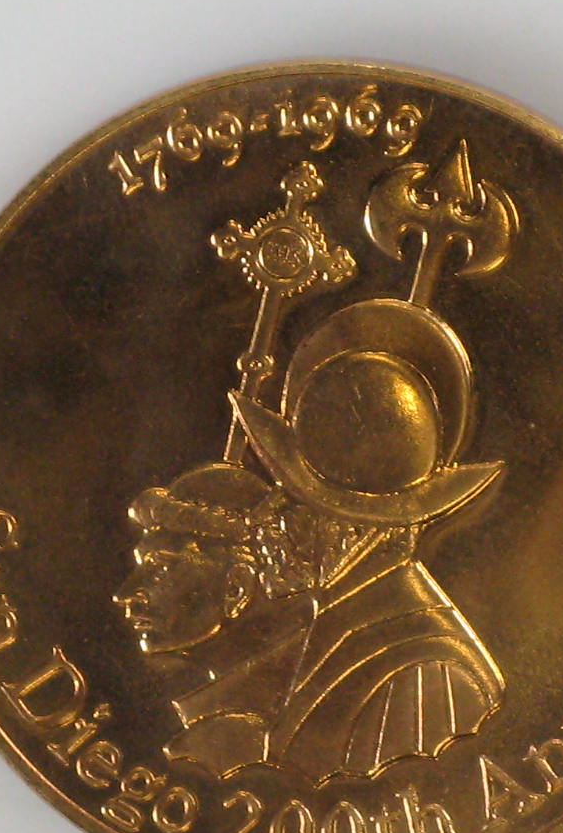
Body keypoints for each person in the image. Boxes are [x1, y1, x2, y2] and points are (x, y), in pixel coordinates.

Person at [115, 298, 505, 784]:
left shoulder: (427, 671)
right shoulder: (339, 629)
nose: (270, 521)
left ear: (349, 525)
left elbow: (404, 801)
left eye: (294, 499)